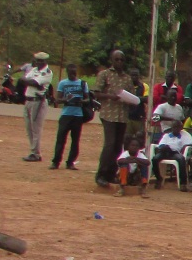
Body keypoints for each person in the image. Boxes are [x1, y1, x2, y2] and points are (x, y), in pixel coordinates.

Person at [91, 49, 136, 188]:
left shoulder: (127, 78)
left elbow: (132, 96)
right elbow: (96, 93)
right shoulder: (104, 74)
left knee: (117, 147)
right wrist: (111, 96)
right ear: (112, 60)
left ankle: (111, 173)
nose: (119, 62)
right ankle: (101, 175)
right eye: (117, 59)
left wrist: (129, 100)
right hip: (109, 114)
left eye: (122, 60)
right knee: (109, 144)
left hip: (122, 115)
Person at [51, 64, 89, 170]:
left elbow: (87, 99)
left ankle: (70, 162)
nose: (73, 74)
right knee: (61, 139)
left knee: (75, 140)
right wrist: (66, 99)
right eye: (70, 72)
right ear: (67, 72)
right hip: (66, 114)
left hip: (78, 115)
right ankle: (56, 161)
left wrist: (81, 101)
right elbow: (57, 99)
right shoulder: (63, 83)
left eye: (74, 72)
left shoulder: (82, 83)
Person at [19, 50, 53, 162]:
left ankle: (36, 153)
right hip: (28, 99)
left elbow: (33, 82)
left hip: (38, 101)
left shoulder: (47, 72)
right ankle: (33, 151)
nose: (38, 62)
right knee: (29, 127)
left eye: (40, 60)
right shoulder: (33, 70)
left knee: (36, 128)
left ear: (45, 61)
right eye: (37, 60)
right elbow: (23, 80)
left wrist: (30, 82)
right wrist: (30, 82)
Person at [153, 124, 192, 189]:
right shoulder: (166, 136)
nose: (175, 128)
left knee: (181, 159)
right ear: (172, 127)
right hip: (164, 152)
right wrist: (164, 147)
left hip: (175, 153)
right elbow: (161, 145)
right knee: (155, 159)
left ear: (180, 128)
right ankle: (159, 178)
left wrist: (185, 146)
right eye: (174, 127)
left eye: (177, 127)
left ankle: (183, 183)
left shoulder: (184, 136)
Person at [114, 133, 150, 197]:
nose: (134, 147)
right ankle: (121, 188)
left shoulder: (140, 154)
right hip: (125, 176)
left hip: (135, 177)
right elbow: (119, 161)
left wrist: (136, 159)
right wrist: (130, 160)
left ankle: (143, 188)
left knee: (144, 165)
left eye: (136, 146)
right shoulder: (126, 154)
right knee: (124, 165)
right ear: (128, 146)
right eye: (132, 145)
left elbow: (148, 162)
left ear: (139, 147)